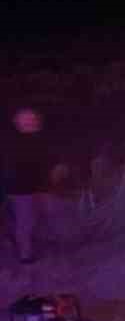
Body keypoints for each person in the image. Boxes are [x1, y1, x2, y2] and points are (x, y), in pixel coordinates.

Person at [3, 108, 65, 265]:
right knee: (25, 220)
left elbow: (49, 158)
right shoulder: (12, 141)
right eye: (26, 120)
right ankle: (25, 253)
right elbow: (14, 165)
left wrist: (55, 169)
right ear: (17, 122)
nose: (30, 122)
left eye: (32, 119)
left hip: (40, 186)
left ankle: (40, 242)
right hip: (20, 188)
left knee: (46, 214)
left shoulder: (41, 139)